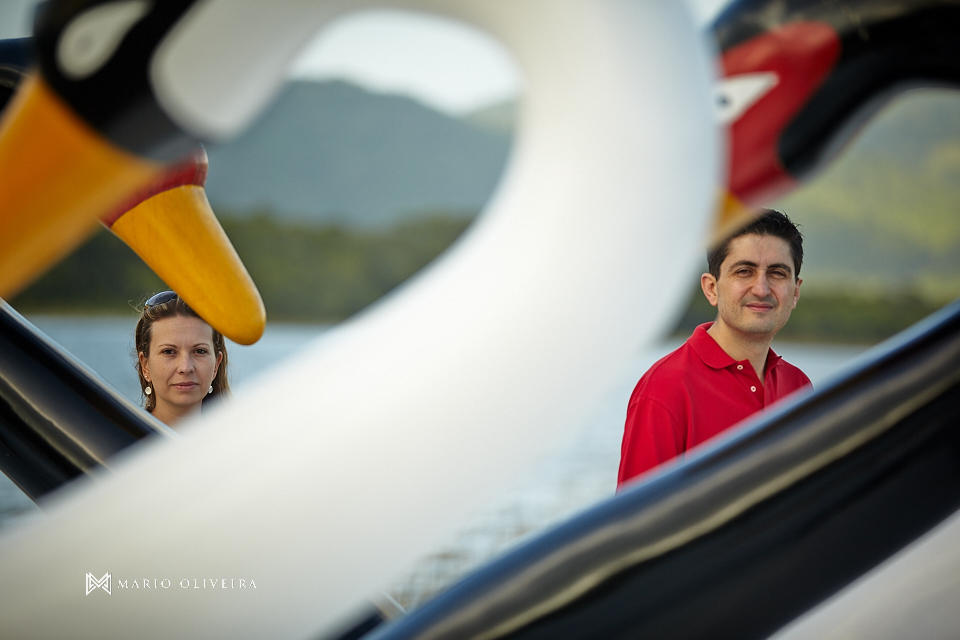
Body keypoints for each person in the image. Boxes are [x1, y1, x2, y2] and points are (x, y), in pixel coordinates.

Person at [617, 210, 811, 488]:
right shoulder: (664, 390)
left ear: (795, 292)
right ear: (711, 288)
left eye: (777, 273)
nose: (761, 288)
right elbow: (635, 522)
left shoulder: (799, 387)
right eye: (744, 271)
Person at [135, 291, 230, 426]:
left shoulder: (239, 444)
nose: (185, 367)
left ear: (216, 365)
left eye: (199, 351)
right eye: (168, 351)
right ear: (145, 366)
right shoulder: (117, 441)